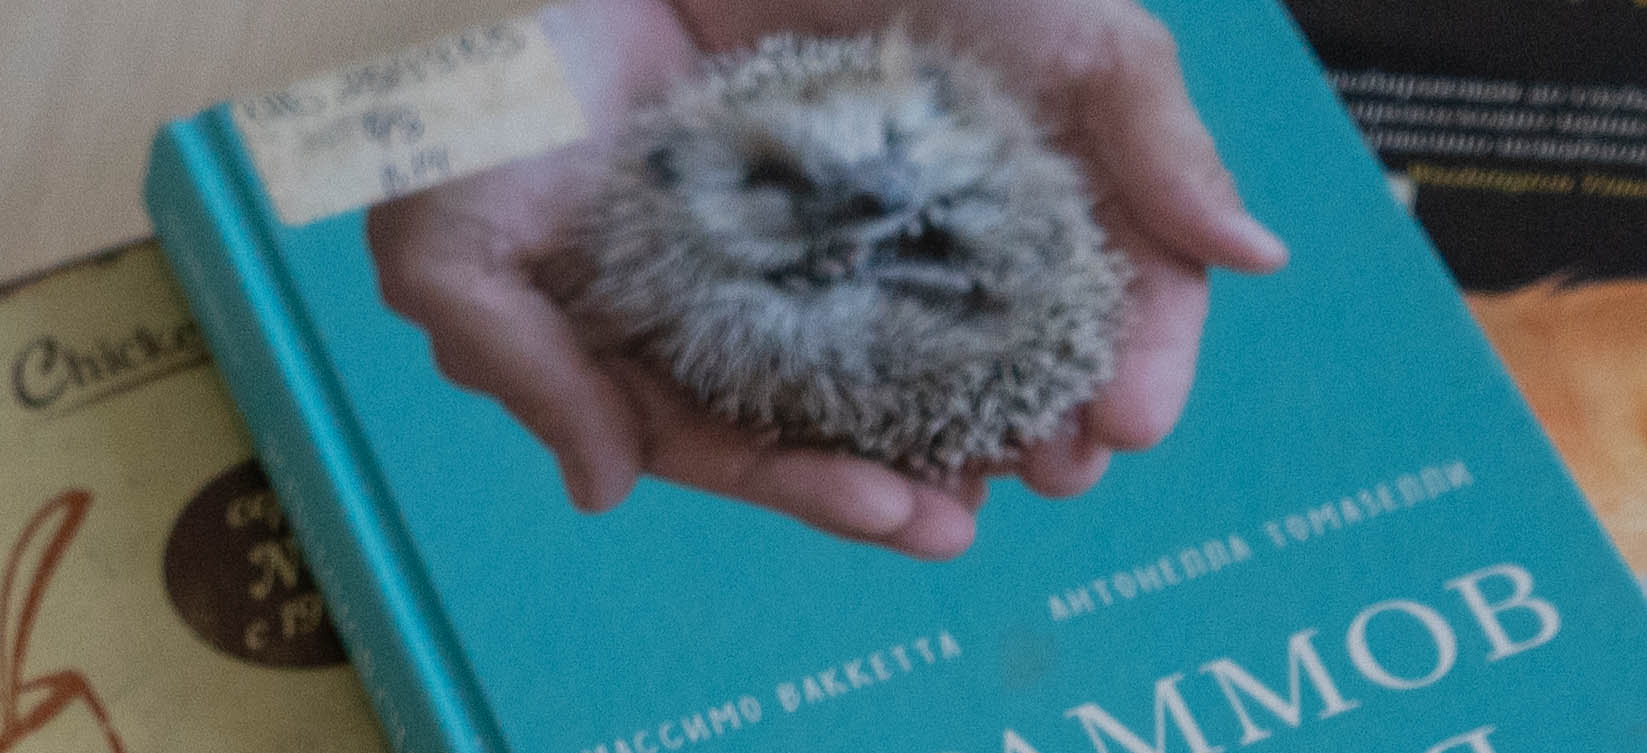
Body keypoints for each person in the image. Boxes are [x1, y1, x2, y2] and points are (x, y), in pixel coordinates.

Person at [369, 0, 1281, 562]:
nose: (871, 188)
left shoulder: (935, 147)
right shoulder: (679, 241)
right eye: (784, 181)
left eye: (889, 145)